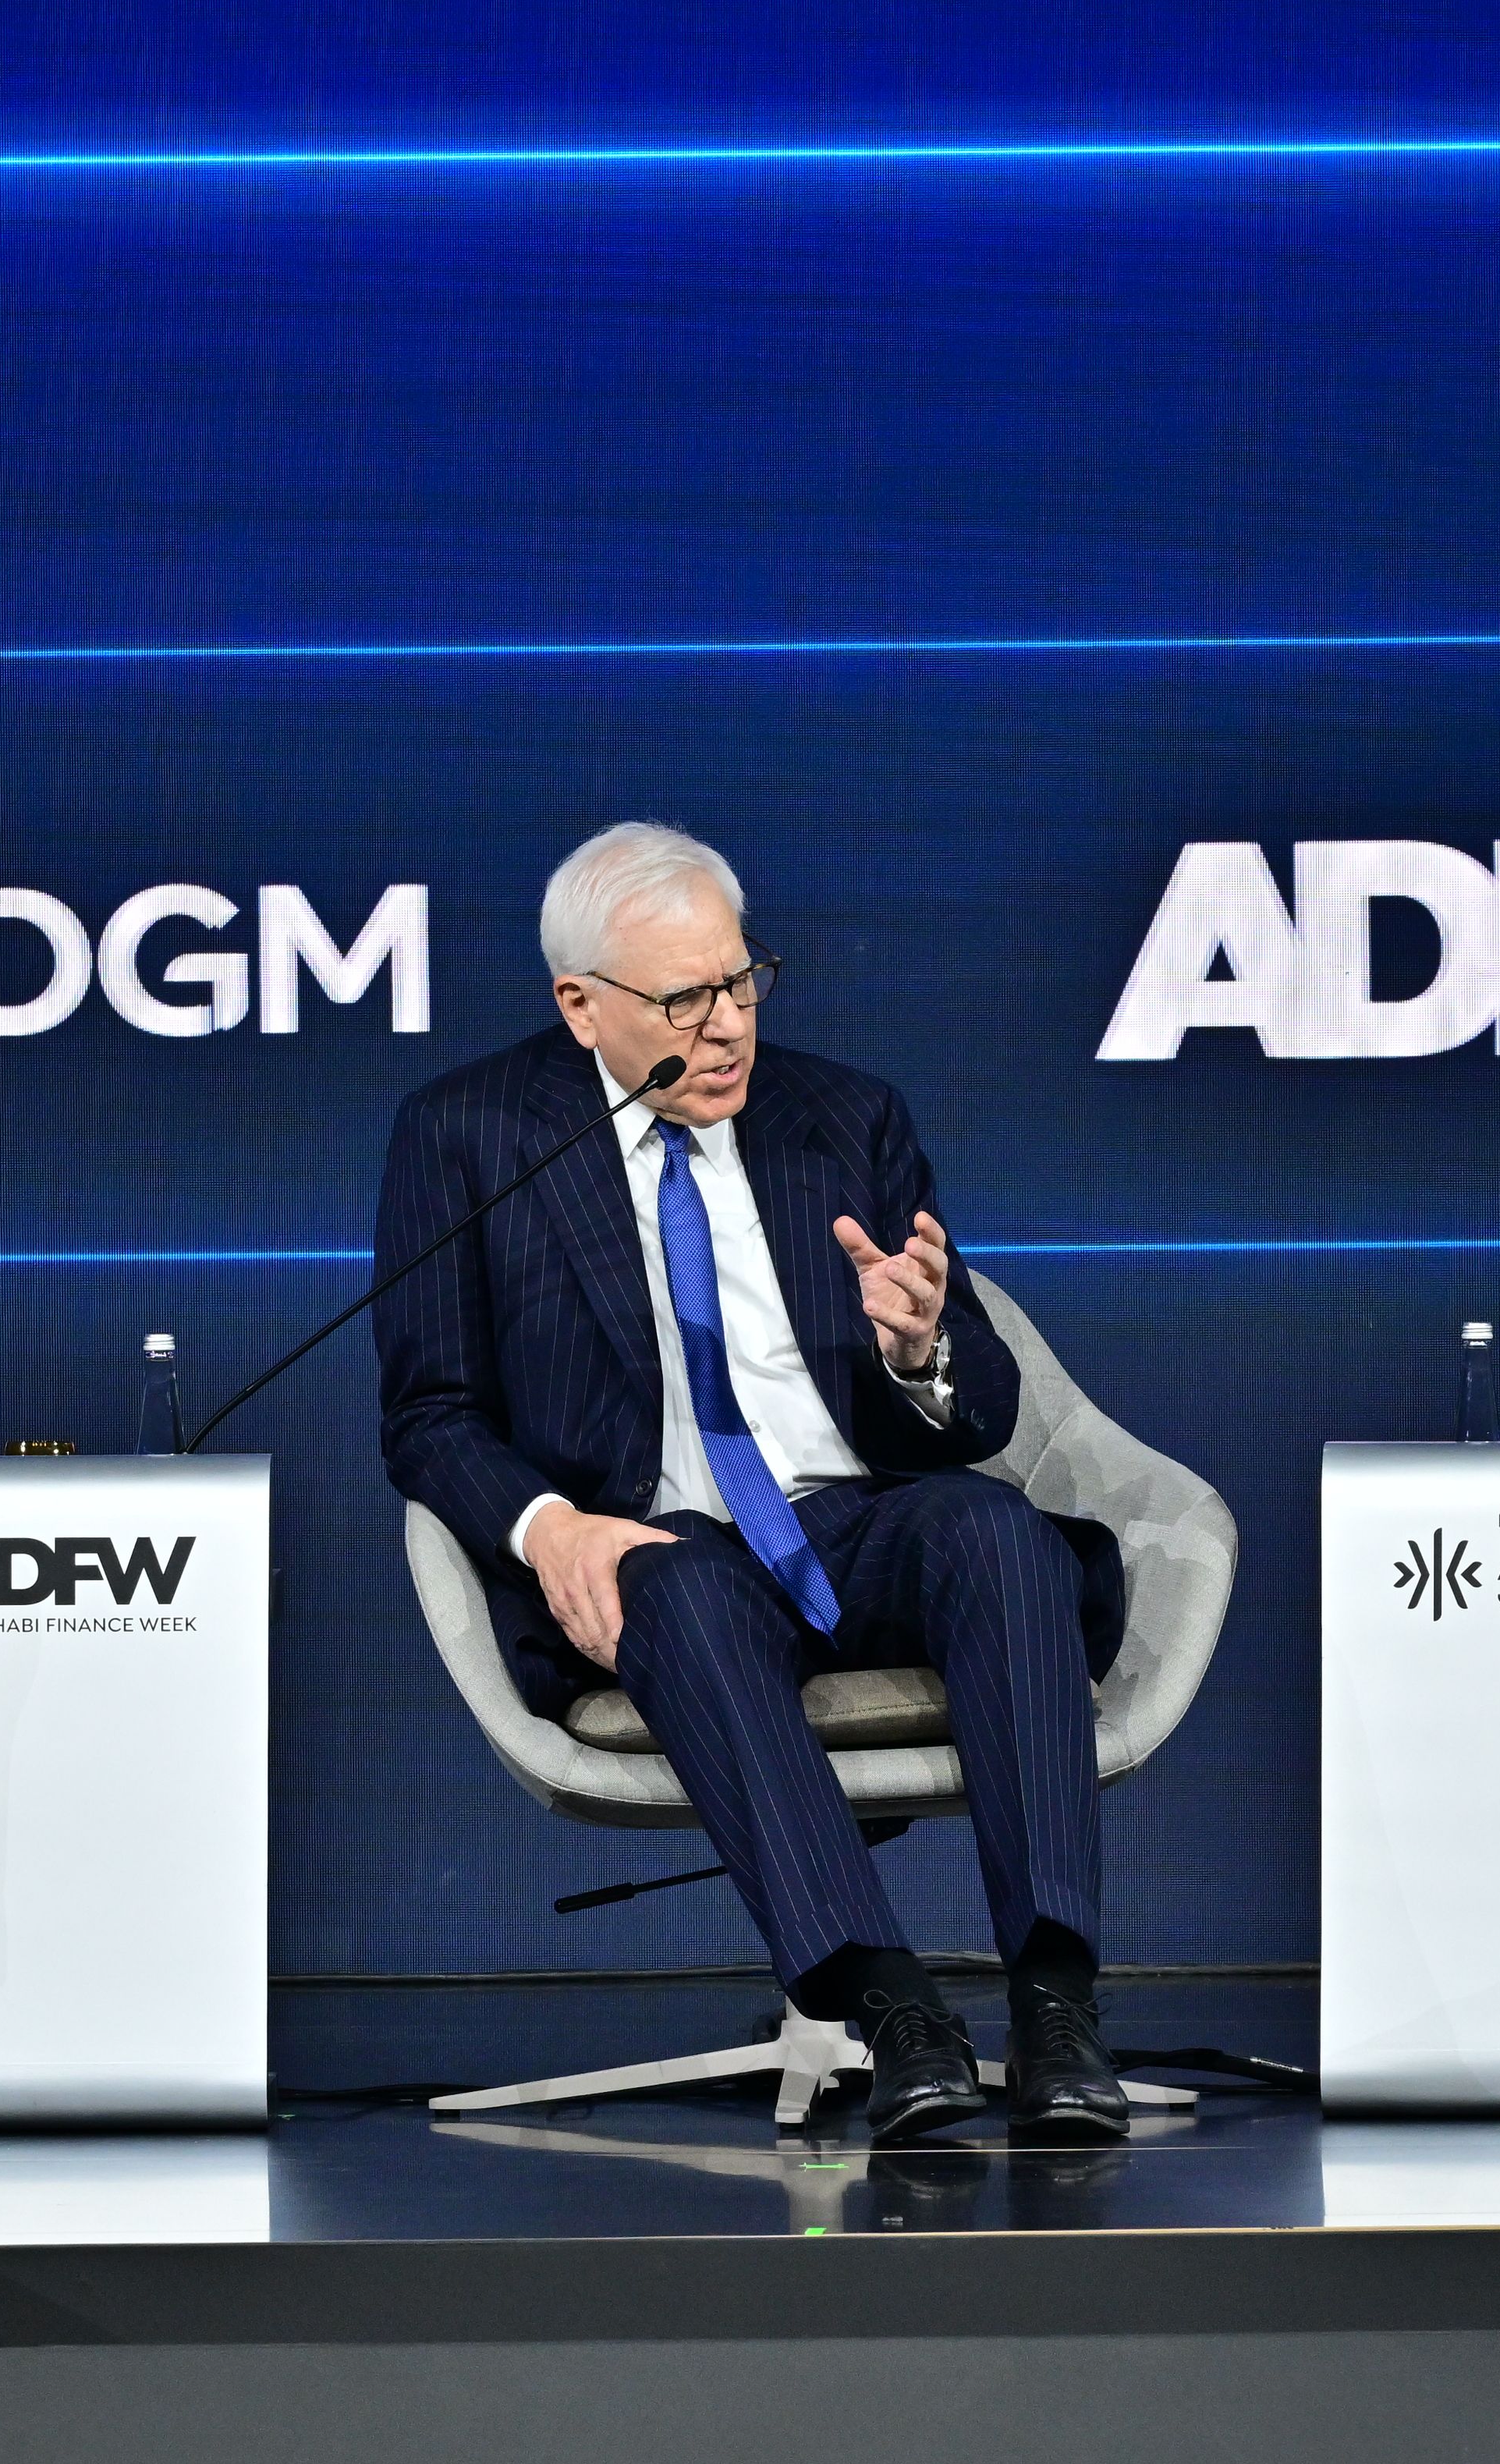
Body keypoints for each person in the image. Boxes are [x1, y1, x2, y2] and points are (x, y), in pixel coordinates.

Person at [374, 822, 1129, 2143]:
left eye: (741, 982)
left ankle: (1058, 2005)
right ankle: (896, 2013)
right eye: (682, 999)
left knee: (1003, 1534)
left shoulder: (845, 1117)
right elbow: (431, 1415)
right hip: (652, 1535)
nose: (725, 1027)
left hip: (853, 1515)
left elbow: (985, 1408)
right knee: (674, 1596)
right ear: (580, 1006)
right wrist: (552, 1531)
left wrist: (921, 1350)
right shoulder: (471, 1137)